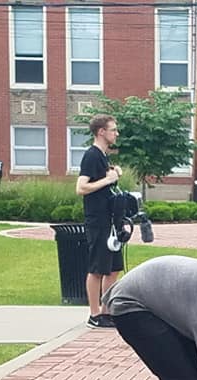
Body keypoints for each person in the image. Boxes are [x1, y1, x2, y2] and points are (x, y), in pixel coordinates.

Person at [75, 114, 124, 329]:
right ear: (101, 132)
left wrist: (113, 173)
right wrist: (107, 179)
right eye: (113, 130)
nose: (116, 133)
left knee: (113, 268)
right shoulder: (91, 156)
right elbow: (81, 188)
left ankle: (106, 311)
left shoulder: (103, 156)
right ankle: (94, 314)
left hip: (110, 219)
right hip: (97, 220)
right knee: (97, 267)